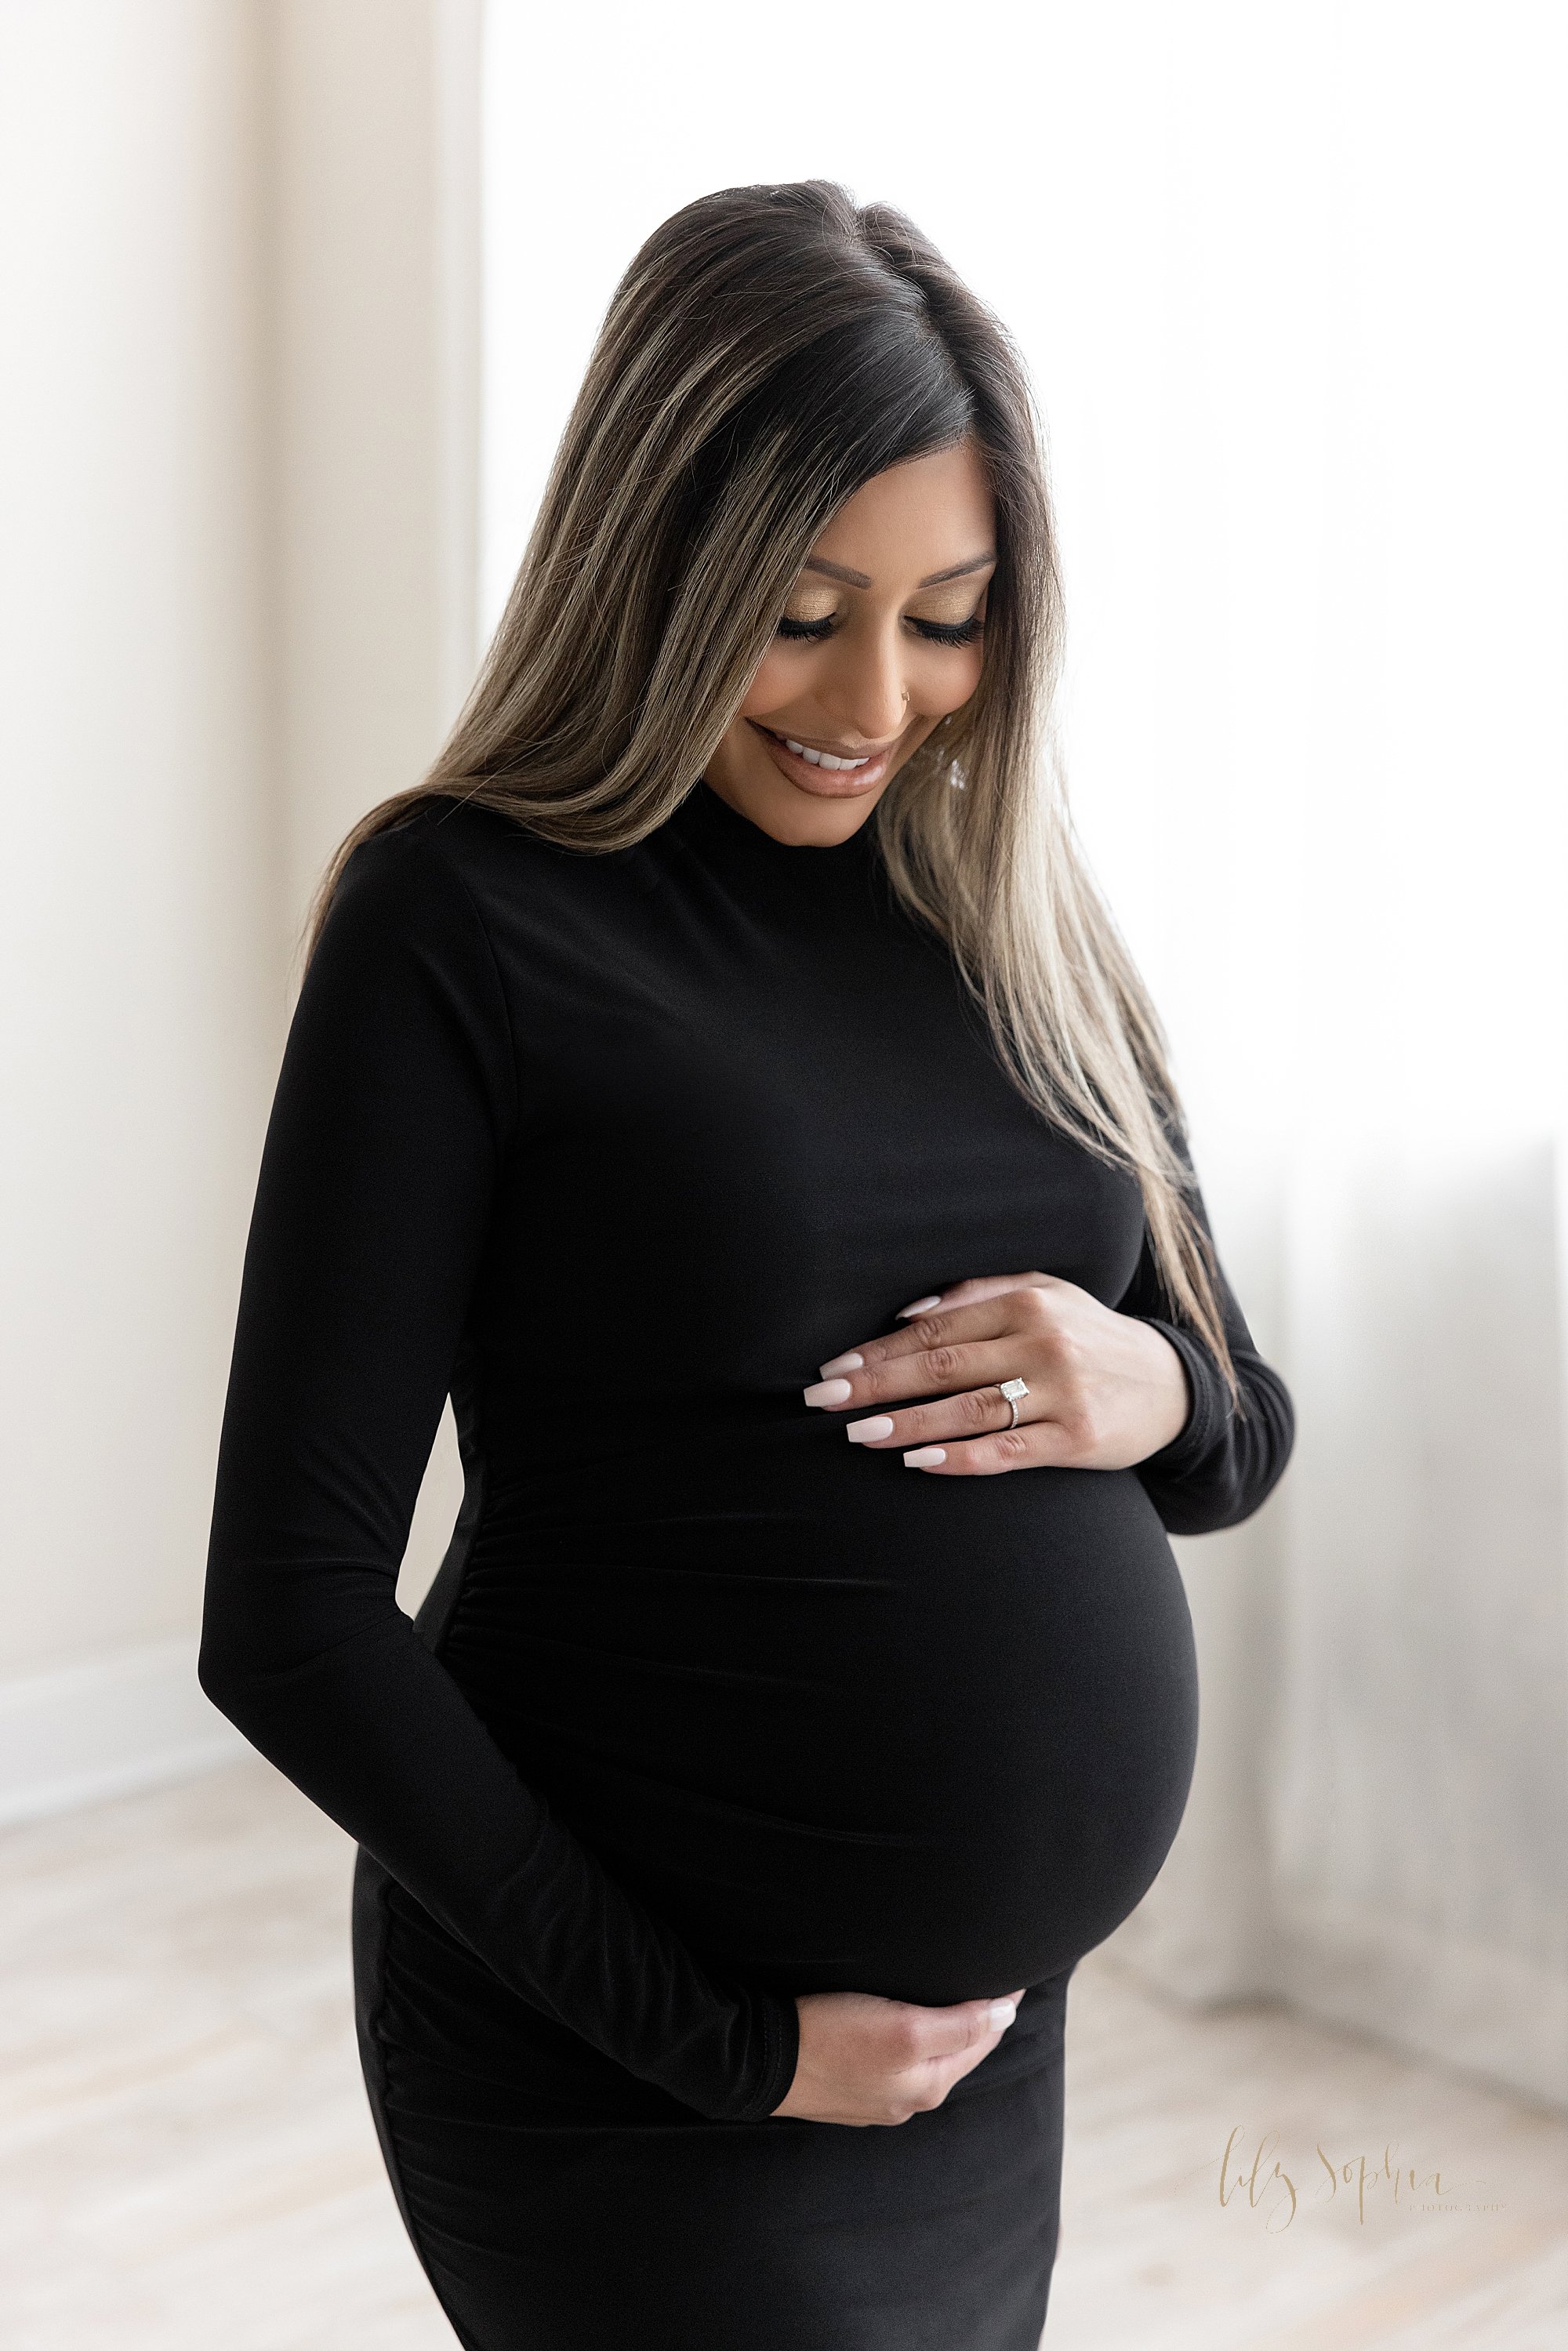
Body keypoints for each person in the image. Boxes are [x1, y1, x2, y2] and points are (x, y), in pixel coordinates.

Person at [198, 179, 1293, 2351]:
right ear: (660, 563)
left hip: (981, 2058)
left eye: (950, 615)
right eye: (801, 611)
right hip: (627, 2052)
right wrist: (730, 2046)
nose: (876, 696)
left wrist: (1140, 1381)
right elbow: (287, 1615)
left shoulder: (1019, 920)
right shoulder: (466, 920)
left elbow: (1235, 1429)